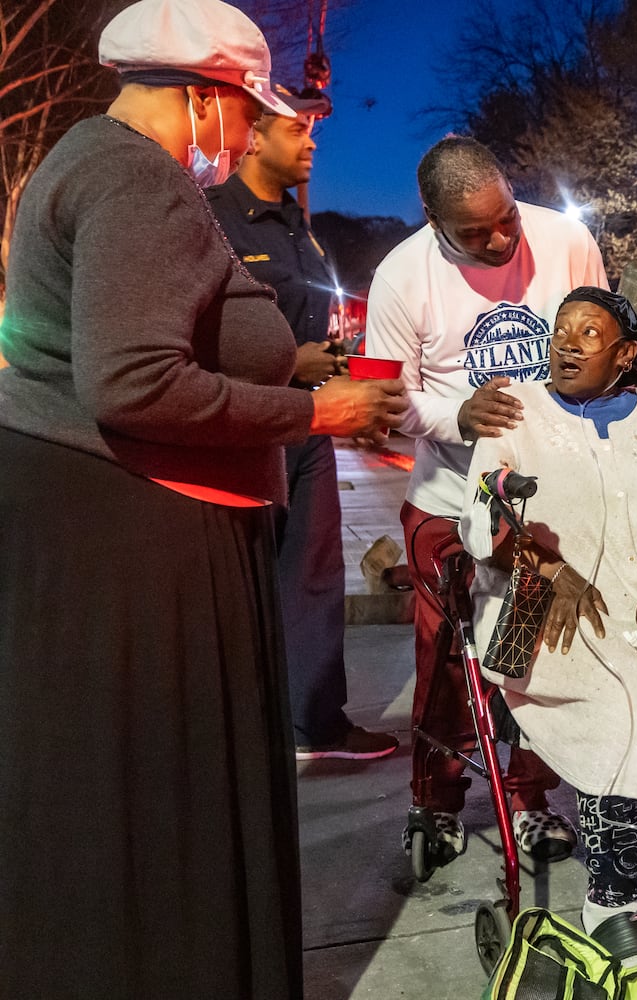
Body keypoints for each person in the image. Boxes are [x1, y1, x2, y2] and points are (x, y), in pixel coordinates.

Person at [0, 1, 404, 996]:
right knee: (158, 794)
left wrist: (289, 364)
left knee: (107, 798)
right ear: (203, 99)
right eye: (244, 107)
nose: (248, 130)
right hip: (132, 531)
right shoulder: (141, 179)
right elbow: (134, 381)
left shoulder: (89, 158)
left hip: (103, 515)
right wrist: (317, 412)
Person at [459, 287, 637, 967]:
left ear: (624, 354)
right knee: (621, 720)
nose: (566, 343)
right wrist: (553, 570)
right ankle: (610, 901)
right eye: (561, 330)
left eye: (588, 334)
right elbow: (481, 520)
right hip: (541, 610)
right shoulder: (515, 410)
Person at [365, 136, 618, 866]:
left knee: (534, 654)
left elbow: (608, 345)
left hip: (546, 504)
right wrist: (455, 417)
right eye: (476, 233)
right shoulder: (399, 275)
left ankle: (528, 798)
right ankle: (435, 802)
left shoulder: (566, 241)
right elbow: (381, 397)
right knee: (447, 658)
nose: (502, 238)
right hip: (447, 499)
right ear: (432, 217)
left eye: (505, 217)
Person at [207, 84, 398, 761]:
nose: (311, 142)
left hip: (310, 426)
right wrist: (292, 360)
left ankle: (313, 726)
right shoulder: (214, 219)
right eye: (296, 131)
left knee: (313, 576)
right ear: (254, 137)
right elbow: (204, 334)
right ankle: (236, 726)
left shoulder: (298, 225)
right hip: (250, 426)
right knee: (240, 580)